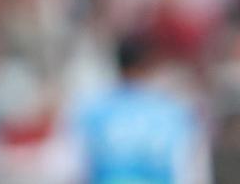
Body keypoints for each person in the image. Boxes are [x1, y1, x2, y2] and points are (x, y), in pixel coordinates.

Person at [70, 34, 210, 184]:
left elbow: (72, 167)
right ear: (149, 63)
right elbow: (191, 171)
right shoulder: (174, 111)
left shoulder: (91, 109)